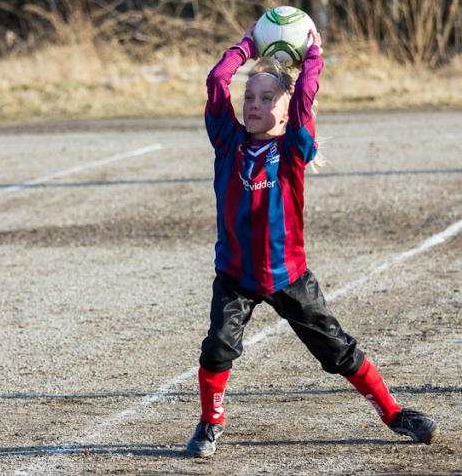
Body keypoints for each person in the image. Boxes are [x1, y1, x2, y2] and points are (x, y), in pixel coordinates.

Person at [185, 23, 437, 457]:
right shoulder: (228, 143)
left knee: (338, 351)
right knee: (217, 349)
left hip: (289, 275)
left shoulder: (293, 149)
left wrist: (313, 55)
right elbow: (216, 80)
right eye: (250, 97)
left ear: (286, 112)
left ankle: (394, 413)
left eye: (267, 98)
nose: (255, 104)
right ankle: (210, 422)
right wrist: (246, 46)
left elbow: (305, 97)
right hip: (235, 276)